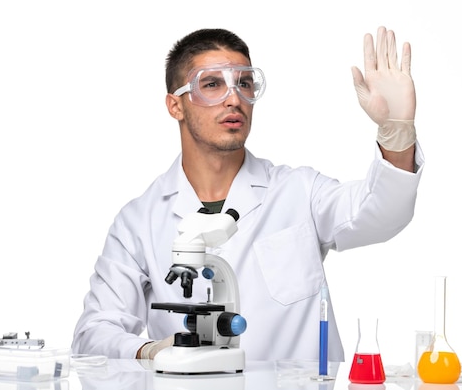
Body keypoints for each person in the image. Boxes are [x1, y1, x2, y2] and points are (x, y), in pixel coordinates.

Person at [71, 26, 424, 362]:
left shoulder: (298, 191)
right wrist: (149, 352)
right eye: (211, 84)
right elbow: (94, 332)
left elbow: (381, 214)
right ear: (175, 105)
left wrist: (396, 131)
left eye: (244, 84)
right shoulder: (139, 221)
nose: (234, 99)